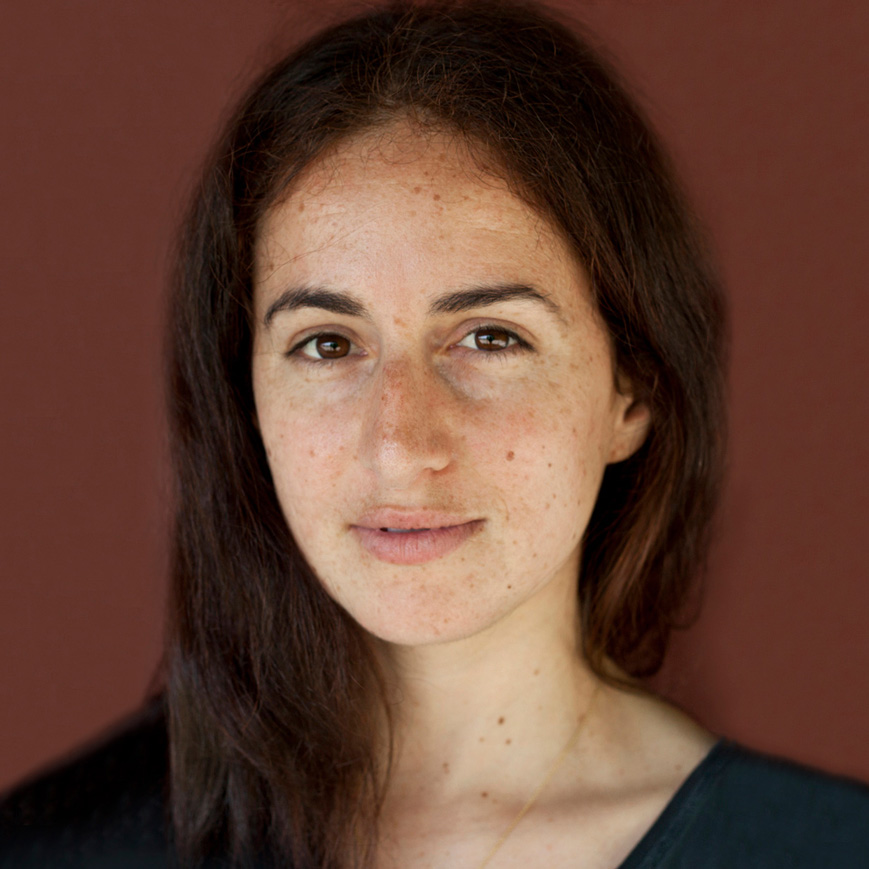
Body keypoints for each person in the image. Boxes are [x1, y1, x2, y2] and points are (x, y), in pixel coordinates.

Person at [2, 1, 868, 867]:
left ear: (629, 392)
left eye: (491, 337)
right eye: (328, 344)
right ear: (247, 402)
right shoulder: (54, 849)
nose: (400, 442)